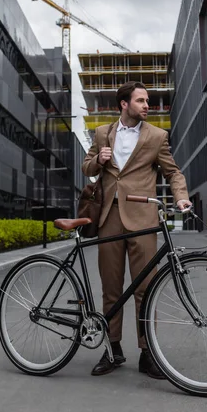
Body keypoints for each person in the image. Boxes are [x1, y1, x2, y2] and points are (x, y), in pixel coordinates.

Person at [82, 81, 191, 379]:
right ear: (124, 104)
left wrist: (181, 197)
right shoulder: (103, 132)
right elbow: (87, 167)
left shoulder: (157, 137)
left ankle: (148, 353)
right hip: (108, 218)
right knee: (111, 289)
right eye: (141, 101)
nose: (147, 105)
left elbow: (173, 172)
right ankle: (112, 349)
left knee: (146, 289)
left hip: (143, 220)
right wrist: (98, 161)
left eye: (148, 101)